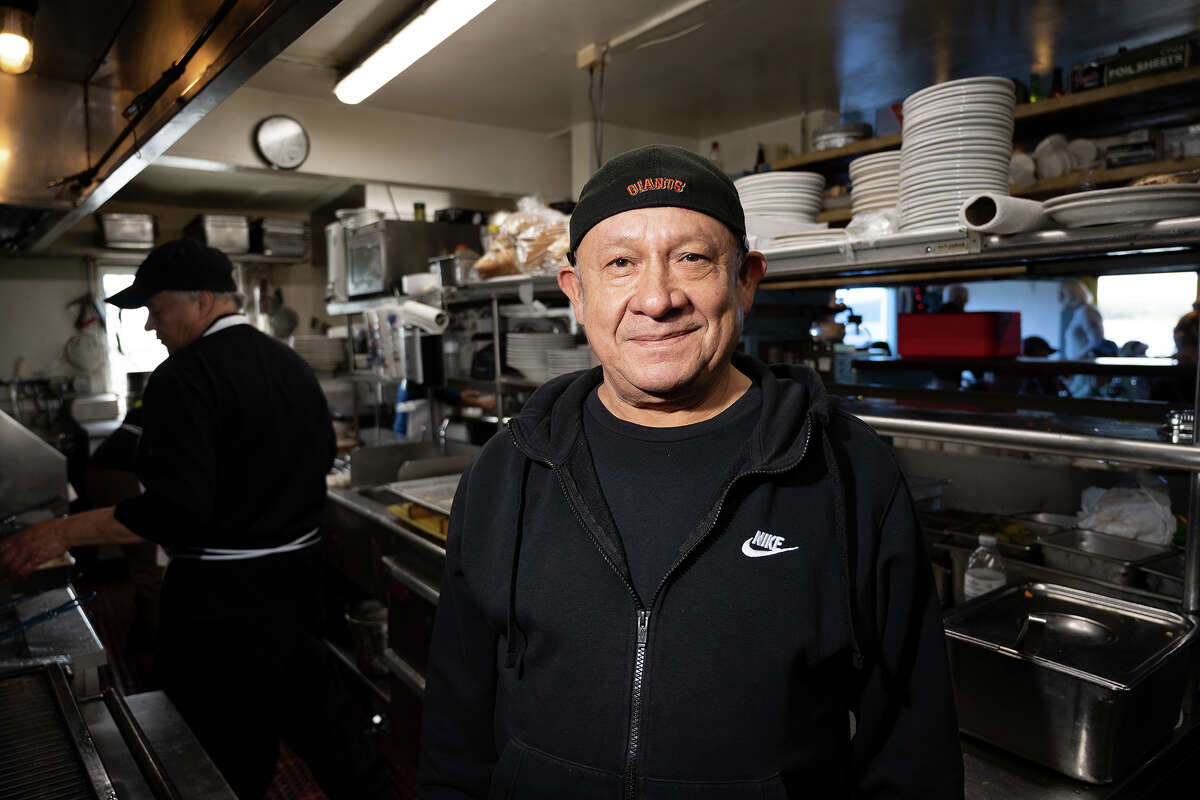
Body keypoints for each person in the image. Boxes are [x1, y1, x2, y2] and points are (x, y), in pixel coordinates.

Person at [417, 145, 963, 797]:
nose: (657, 298)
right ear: (576, 291)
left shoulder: (847, 469)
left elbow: (913, 742)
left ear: (746, 279)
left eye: (692, 258)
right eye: (620, 263)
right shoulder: (509, 469)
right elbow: (457, 720)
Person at [0, 239, 395, 800]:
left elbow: (172, 513)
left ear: (203, 301)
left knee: (222, 761)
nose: (150, 328)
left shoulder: (180, 380)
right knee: (335, 742)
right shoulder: (291, 364)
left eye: (157, 311)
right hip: (301, 590)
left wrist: (59, 532)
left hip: (221, 609)